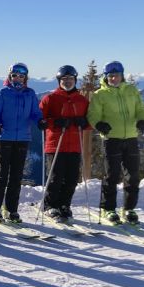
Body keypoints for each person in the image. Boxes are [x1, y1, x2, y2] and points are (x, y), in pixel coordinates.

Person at [87, 61, 144, 225]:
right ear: (106, 77)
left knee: (133, 175)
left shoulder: (131, 90)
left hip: (131, 137)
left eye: (116, 75)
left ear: (122, 76)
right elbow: (93, 115)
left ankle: (129, 209)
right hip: (111, 138)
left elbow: (141, 108)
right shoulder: (100, 94)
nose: (113, 78)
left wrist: (143, 120)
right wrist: (99, 124)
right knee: (112, 175)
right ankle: (108, 208)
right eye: (110, 76)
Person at [0, 62, 44, 223]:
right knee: (1, 174)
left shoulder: (30, 93)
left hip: (23, 139)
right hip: (4, 137)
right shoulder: (2, 93)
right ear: (10, 76)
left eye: (21, 76)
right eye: (14, 75)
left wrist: (40, 121)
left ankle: (12, 209)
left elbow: (35, 113)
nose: (18, 78)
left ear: (26, 78)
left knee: (16, 176)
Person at [39, 65, 90, 222]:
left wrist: (85, 122)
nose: (67, 82)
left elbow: (90, 122)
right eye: (64, 79)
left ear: (75, 80)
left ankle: (64, 205)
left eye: (70, 79)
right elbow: (40, 121)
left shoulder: (82, 100)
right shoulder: (50, 98)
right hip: (56, 144)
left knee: (72, 178)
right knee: (56, 177)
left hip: (74, 145)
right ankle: (49, 206)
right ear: (59, 81)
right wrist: (56, 122)